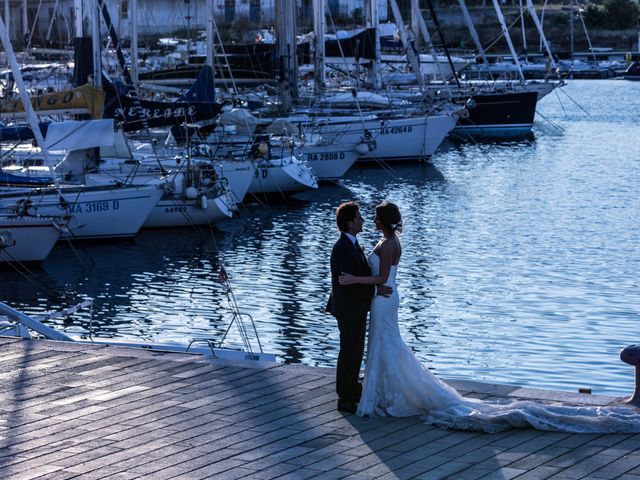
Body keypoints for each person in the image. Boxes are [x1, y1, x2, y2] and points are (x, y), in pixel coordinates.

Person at [339, 201, 640, 433]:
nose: (371, 219)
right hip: (382, 300)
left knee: (387, 345)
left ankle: (384, 396)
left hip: (384, 299)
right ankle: (379, 393)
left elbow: (382, 278)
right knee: (383, 346)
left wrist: (353, 281)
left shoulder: (390, 244)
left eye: (375, 216)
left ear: (383, 220)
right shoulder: (384, 242)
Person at [328, 201, 390, 414]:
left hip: (357, 307)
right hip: (348, 308)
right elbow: (348, 283)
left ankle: (353, 390)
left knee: (356, 351)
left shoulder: (352, 244)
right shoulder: (342, 249)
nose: (363, 220)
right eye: (359, 218)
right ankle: (344, 398)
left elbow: (356, 279)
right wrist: (375, 292)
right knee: (349, 351)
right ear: (350, 223)